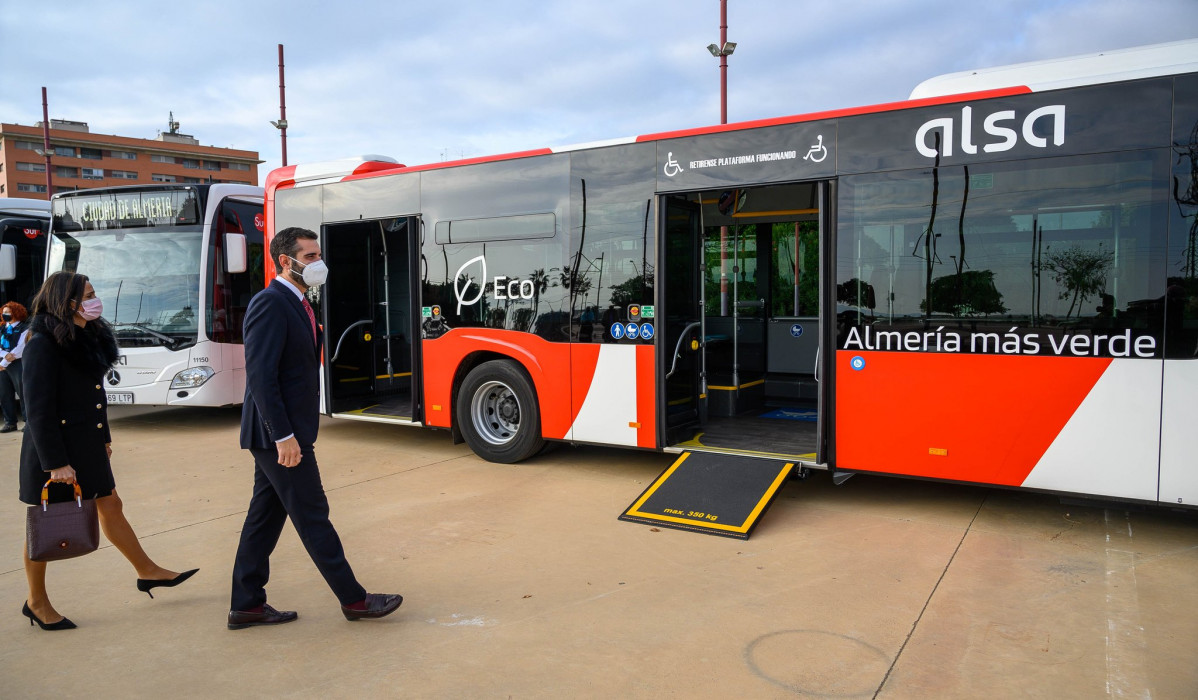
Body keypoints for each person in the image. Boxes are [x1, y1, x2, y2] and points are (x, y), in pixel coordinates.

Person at [229, 227, 401, 629]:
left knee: (264, 519)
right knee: (312, 514)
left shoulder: (300, 302)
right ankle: (354, 600)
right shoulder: (270, 303)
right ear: (285, 262)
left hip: (285, 433)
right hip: (280, 436)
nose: (317, 263)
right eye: (309, 257)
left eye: (317, 255)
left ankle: (246, 603)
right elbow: (261, 378)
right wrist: (282, 436)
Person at [19, 272, 197, 631]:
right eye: (87, 295)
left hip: (86, 443)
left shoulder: (84, 335)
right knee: (43, 523)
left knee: (111, 504)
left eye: (94, 293)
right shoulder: (42, 341)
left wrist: (103, 437)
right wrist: (56, 463)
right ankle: (36, 601)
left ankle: (147, 571)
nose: (94, 300)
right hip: (54, 449)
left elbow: (94, 396)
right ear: (66, 301)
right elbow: (37, 409)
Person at [0, 301, 29, 431]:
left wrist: (5, 361)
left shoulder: (25, 328)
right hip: (2, 365)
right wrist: (4, 359)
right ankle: (10, 422)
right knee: (4, 394)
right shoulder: (2, 328)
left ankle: (28, 421)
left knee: (23, 393)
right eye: (4, 312)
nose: (5, 314)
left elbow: (21, 348)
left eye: (8, 312)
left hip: (17, 364)